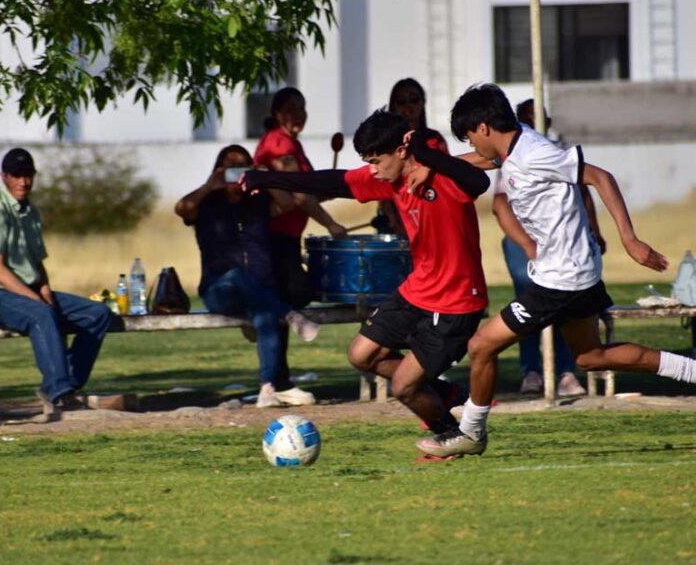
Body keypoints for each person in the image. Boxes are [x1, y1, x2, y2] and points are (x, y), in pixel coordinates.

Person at [415, 83, 696, 459]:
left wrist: (629, 239)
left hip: (560, 278)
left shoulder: (535, 153)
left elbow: (600, 177)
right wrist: (434, 166)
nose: (472, 146)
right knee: (590, 357)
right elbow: (485, 161)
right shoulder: (514, 147)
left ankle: (470, 432)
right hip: (575, 272)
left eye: (471, 137)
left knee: (481, 347)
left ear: (484, 127)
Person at [243, 110, 492, 438]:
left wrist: (429, 158)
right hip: (418, 291)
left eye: (376, 160)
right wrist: (269, 179)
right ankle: (442, 394)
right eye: (368, 162)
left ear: (402, 151)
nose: (372, 170)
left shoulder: (442, 176)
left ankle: (452, 435)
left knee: (403, 388)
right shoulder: (389, 180)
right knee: (361, 354)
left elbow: (482, 177)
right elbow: (330, 180)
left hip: (455, 301)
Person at [0, 148, 112, 411]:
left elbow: (37, 264)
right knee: (41, 314)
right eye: (17, 175)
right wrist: (39, 302)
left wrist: (45, 292)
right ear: (4, 177)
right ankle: (59, 391)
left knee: (98, 313)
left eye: (28, 175)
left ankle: (65, 383)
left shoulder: (31, 212)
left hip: (26, 289)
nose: (23, 182)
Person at [175, 145, 320, 408]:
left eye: (242, 165)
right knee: (233, 277)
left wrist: (264, 178)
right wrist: (210, 185)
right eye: (230, 166)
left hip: (260, 290)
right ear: (219, 168)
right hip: (218, 290)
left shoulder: (258, 199)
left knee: (265, 316)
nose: (235, 171)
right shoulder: (206, 203)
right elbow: (182, 208)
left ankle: (267, 390)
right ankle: (289, 314)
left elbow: (287, 204)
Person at [493, 98, 607, 396]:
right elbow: (500, 203)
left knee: (580, 338)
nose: (535, 126)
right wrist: (527, 243)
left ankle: (566, 372)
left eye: (540, 119)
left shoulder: (550, 151)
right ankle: (532, 370)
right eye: (529, 120)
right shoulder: (512, 154)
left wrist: (596, 229)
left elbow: (588, 184)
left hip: (565, 252)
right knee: (525, 313)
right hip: (529, 245)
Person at [253, 87, 347, 393]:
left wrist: (327, 188)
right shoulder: (279, 145)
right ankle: (276, 378)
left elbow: (306, 192)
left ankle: (280, 377)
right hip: (275, 238)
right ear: (278, 113)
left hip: (287, 236)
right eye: (292, 109)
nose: (299, 115)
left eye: (303, 109)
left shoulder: (290, 143)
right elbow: (298, 194)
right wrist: (331, 223)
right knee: (295, 294)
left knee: (288, 298)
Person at [376, 78, 450, 236]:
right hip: (396, 215)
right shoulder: (386, 141)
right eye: (401, 101)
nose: (408, 106)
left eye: (414, 100)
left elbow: (447, 171)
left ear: (423, 103)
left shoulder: (434, 139)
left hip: (430, 211)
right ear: (393, 106)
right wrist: (393, 220)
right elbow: (384, 185)